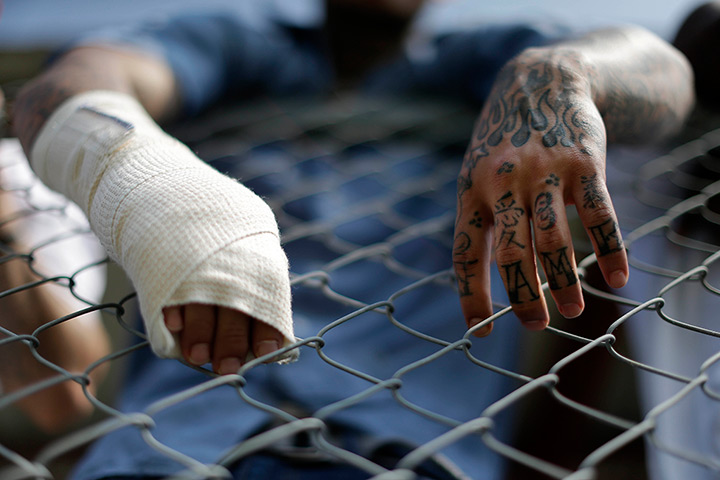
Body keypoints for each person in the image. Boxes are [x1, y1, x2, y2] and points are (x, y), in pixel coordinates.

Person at [6, 0, 697, 478]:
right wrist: (160, 190)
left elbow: (667, 69)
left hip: (412, 456)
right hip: (167, 454)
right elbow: (75, 86)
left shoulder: (484, 59)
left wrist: (558, 78)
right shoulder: (238, 50)